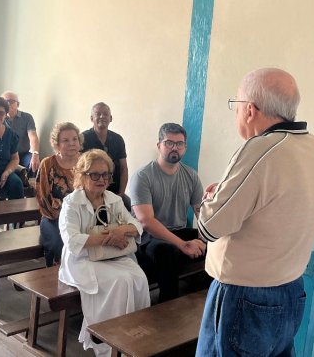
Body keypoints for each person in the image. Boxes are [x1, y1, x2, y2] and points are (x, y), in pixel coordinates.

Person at [195, 68, 314, 357]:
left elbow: (209, 226)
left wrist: (211, 197)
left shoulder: (259, 149)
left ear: (250, 110)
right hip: (291, 289)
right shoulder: (312, 146)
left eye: (236, 105)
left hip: (246, 296)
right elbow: (277, 203)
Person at [58, 149, 150, 357]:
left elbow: (136, 225)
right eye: (95, 174)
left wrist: (120, 231)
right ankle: (108, 341)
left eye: (106, 174)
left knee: (139, 278)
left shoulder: (113, 199)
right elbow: (71, 240)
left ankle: (133, 339)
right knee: (122, 281)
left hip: (112, 255)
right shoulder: (72, 203)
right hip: (81, 260)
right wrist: (110, 238)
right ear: (82, 176)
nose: (102, 179)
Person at [128, 123, 205, 303]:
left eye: (179, 144)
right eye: (169, 143)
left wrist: (208, 235)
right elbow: (146, 221)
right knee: (166, 251)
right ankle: (168, 308)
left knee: (217, 243)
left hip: (177, 230)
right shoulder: (143, 176)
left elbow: (202, 211)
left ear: (185, 147)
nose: (174, 148)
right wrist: (183, 245)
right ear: (159, 145)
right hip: (147, 237)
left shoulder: (191, 176)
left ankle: (202, 302)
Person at [35, 122, 83, 267]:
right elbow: (43, 198)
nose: (72, 144)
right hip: (53, 218)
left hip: (83, 217)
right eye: (65, 140)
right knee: (61, 242)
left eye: (75, 139)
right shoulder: (47, 164)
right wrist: (65, 218)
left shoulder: (86, 162)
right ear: (57, 144)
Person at [81, 102, 128, 200]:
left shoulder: (118, 139)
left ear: (110, 118)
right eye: (98, 114)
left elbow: (124, 168)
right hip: (91, 193)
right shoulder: (83, 138)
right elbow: (80, 170)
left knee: (128, 207)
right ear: (91, 118)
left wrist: (121, 195)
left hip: (115, 193)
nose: (102, 116)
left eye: (105, 114)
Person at [1, 91, 40, 177]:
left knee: (35, 164)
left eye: (11, 101)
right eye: (4, 102)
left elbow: (33, 137)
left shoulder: (27, 117)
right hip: (6, 155)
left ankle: (32, 188)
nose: (7, 104)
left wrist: (35, 154)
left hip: (23, 154)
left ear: (18, 104)